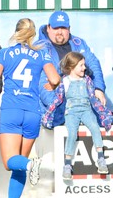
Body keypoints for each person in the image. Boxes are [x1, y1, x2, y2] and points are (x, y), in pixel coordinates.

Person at [0, 18, 60, 198]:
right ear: (33, 34)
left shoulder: (4, 53)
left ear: (16, 32)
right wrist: (51, 87)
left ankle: (31, 166)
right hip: (32, 112)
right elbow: (55, 79)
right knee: (20, 163)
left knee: (11, 162)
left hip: (11, 109)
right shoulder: (41, 54)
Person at [41, 52, 113, 180]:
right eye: (81, 65)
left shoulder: (87, 80)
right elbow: (57, 100)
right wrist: (48, 114)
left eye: (84, 65)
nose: (84, 68)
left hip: (86, 110)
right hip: (71, 112)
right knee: (72, 134)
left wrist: (104, 113)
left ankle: (101, 158)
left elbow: (93, 99)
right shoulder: (65, 81)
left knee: (95, 129)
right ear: (71, 67)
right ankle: (67, 165)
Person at [38, 11, 106, 128]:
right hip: (53, 115)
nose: (59, 32)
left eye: (63, 28)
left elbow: (94, 65)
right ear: (48, 28)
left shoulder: (79, 44)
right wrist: (57, 108)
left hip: (81, 111)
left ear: (69, 29)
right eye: (56, 28)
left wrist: (98, 88)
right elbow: (42, 83)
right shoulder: (39, 48)